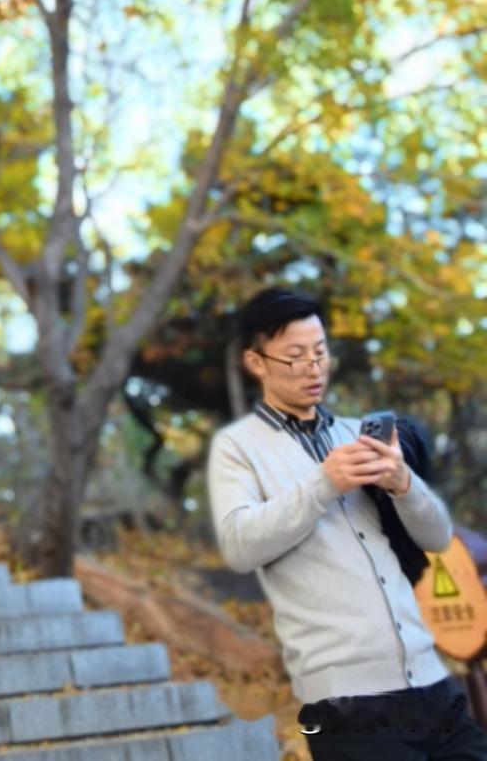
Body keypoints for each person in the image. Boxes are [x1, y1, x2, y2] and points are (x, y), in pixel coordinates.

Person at [207, 286, 487, 761]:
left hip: (430, 682)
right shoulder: (237, 448)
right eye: (295, 356)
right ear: (257, 362)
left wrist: (404, 483)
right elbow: (238, 546)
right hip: (345, 701)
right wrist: (324, 483)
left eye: (320, 352)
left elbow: (438, 536)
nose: (314, 367)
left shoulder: (358, 433)